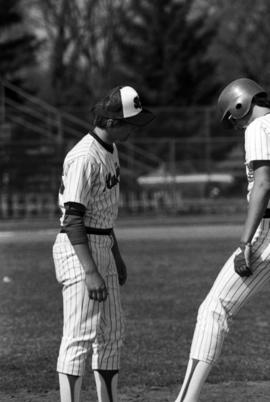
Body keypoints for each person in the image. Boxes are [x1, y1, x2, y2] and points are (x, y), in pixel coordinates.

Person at [52, 85, 154, 402]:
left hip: (102, 243)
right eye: (129, 123)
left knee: (111, 334)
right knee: (79, 336)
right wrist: (90, 271)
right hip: (78, 247)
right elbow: (72, 219)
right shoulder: (84, 156)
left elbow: (104, 214)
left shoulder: (111, 149)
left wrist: (116, 256)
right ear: (111, 122)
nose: (133, 129)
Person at [173, 78, 270, 402]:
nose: (238, 125)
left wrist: (245, 241)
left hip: (267, 235)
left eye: (235, 118)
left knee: (215, 308)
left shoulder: (259, 128)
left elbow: (263, 185)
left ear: (240, 104)